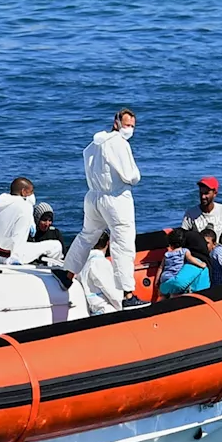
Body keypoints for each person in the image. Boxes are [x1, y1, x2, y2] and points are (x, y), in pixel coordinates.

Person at [55, 108, 144, 307]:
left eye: (132, 126)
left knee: (87, 235)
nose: (129, 129)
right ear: (116, 122)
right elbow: (131, 175)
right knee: (123, 242)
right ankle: (128, 295)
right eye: (127, 125)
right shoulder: (119, 143)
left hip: (93, 196)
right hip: (116, 197)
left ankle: (67, 273)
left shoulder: (93, 145)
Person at [0, 177, 63, 265]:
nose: (32, 194)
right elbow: (19, 236)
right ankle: (54, 269)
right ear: (23, 192)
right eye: (31, 192)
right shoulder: (25, 207)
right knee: (56, 246)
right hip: (4, 256)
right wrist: (15, 258)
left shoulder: (2, 201)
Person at [78, 232, 121, 315]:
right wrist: (121, 307)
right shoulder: (100, 262)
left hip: (92, 311)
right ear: (108, 243)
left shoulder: (83, 264)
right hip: (106, 310)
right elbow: (112, 292)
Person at [159, 228, 211, 296]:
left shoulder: (194, 265)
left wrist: (161, 288)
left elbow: (177, 283)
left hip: (192, 299)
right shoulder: (204, 263)